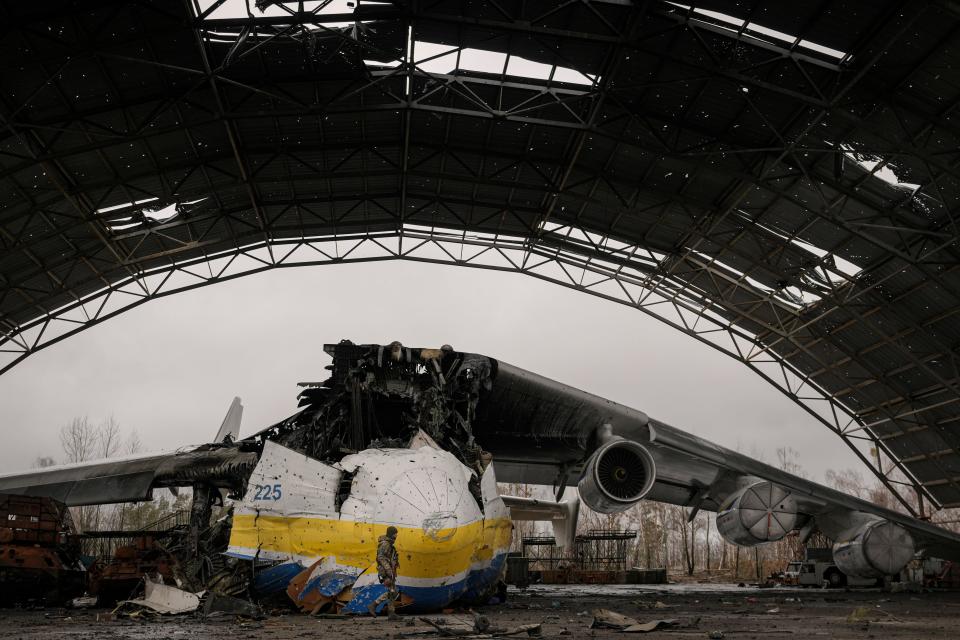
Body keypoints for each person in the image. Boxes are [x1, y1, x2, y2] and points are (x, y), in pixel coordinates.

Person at [368, 525, 400, 618]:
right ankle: (374, 604)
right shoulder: (385, 544)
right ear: (391, 534)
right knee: (393, 591)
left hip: (389, 570)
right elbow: (380, 557)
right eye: (395, 534)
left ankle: (391, 613)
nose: (396, 536)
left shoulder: (389, 544)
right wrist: (388, 570)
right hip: (386, 571)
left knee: (392, 590)